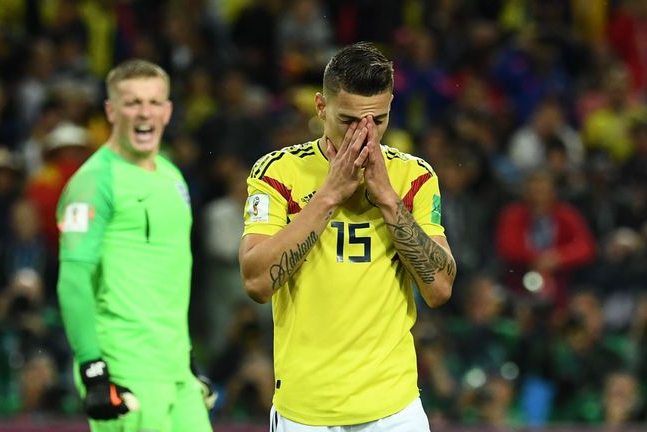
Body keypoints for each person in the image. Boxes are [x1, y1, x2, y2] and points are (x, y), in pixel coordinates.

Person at [239, 42, 457, 431]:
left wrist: (388, 199)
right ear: (321, 107)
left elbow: (439, 289)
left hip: (394, 409)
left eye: (378, 121)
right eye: (349, 121)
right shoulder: (277, 173)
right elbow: (256, 282)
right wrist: (328, 196)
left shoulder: (414, 177)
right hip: (305, 410)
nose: (365, 135)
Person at [56, 59, 213, 431]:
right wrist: (93, 369)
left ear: (168, 111)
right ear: (111, 111)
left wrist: (188, 358)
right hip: (126, 368)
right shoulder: (93, 181)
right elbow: (73, 280)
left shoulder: (172, 177)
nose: (145, 113)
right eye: (132, 103)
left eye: (154, 102)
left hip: (176, 370)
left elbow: (168, 274)